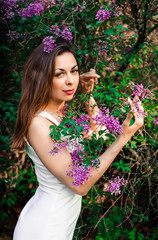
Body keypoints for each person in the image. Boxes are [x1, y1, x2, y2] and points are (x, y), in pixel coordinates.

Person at [12, 38, 143, 240]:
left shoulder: (61, 113)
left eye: (73, 71)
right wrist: (125, 136)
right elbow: (79, 185)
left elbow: (101, 134)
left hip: (59, 223)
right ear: (41, 78)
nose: (71, 80)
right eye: (59, 74)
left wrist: (88, 95)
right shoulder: (39, 124)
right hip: (45, 228)